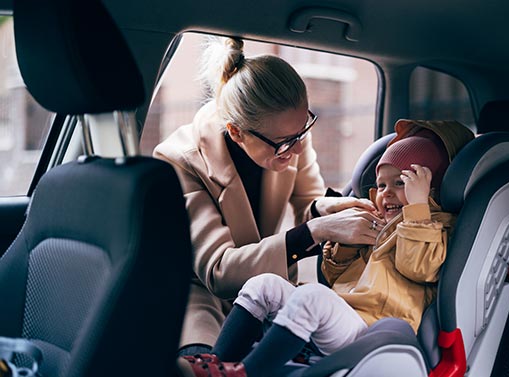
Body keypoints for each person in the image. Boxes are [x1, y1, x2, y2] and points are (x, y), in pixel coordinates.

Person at [176, 124, 474, 377]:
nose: (386, 193)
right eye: (381, 185)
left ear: (429, 190)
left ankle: (248, 372)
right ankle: (216, 363)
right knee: (263, 284)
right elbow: (335, 275)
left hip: (369, 327)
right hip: (343, 312)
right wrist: (344, 244)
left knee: (311, 297)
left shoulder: (436, 225)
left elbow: (419, 266)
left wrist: (418, 209)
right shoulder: (382, 225)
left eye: (401, 183)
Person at [153, 36, 385, 356]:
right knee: (203, 363)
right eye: (286, 142)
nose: (300, 148)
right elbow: (218, 270)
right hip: (204, 301)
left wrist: (324, 209)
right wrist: (316, 230)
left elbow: (307, 204)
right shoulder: (180, 159)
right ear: (236, 132)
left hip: (270, 291)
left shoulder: (288, 136)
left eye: (304, 130)